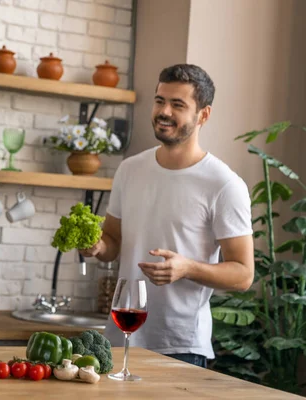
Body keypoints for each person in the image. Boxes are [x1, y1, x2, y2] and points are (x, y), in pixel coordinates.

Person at [81, 64, 254, 367]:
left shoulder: (224, 185)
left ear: (204, 115)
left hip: (181, 346)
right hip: (120, 337)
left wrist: (187, 268)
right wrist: (96, 246)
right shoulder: (130, 170)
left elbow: (243, 274)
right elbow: (111, 244)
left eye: (178, 105)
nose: (164, 111)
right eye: (160, 100)